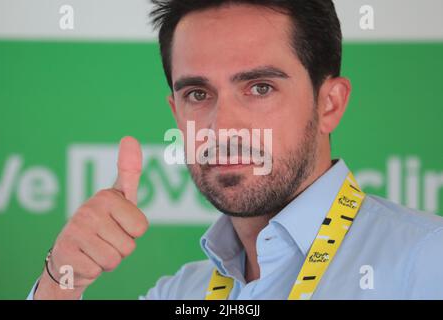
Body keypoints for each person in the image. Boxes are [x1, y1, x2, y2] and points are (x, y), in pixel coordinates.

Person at [29, 0, 443, 300]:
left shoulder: (428, 261)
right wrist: (61, 283)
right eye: (197, 93)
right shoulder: (179, 294)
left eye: (260, 88)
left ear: (329, 103)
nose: (221, 126)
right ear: (177, 112)